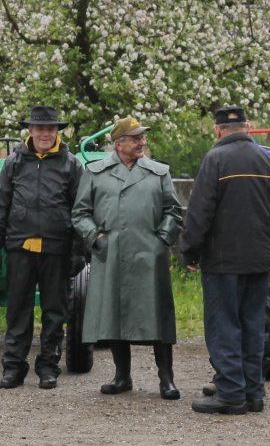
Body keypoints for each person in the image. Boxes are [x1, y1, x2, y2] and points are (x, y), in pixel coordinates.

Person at [180, 106, 270, 415]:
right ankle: (253, 392)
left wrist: (190, 250)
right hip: (260, 259)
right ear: (248, 126)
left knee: (224, 325)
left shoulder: (215, 159)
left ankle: (230, 393)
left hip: (223, 260)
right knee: (253, 326)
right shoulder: (269, 161)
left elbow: (200, 210)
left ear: (217, 130)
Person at [72, 116, 185, 400]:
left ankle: (167, 379)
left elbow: (173, 211)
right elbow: (80, 213)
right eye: (135, 138)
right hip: (111, 254)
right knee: (114, 314)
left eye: (142, 137)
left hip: (150, 257)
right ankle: (122, 376)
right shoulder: (95, 172)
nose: (142, 142)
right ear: (119, 144)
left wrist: (161, 241)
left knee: (158, 316)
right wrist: (96, 239)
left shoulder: (159, 172)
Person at [0, 106, 83, 390]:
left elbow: (81, 209)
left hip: (57, 249)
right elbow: (0, 205)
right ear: (30, 131)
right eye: (40, 129)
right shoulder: (14, 162)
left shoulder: (71, 164)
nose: (45, 134)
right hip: (20, 246)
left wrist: (79, 250)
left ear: (57, 132)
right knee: (18, 310)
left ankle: (48, 367)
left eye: (50, 129)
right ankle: (14, 367)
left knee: (55, 311)